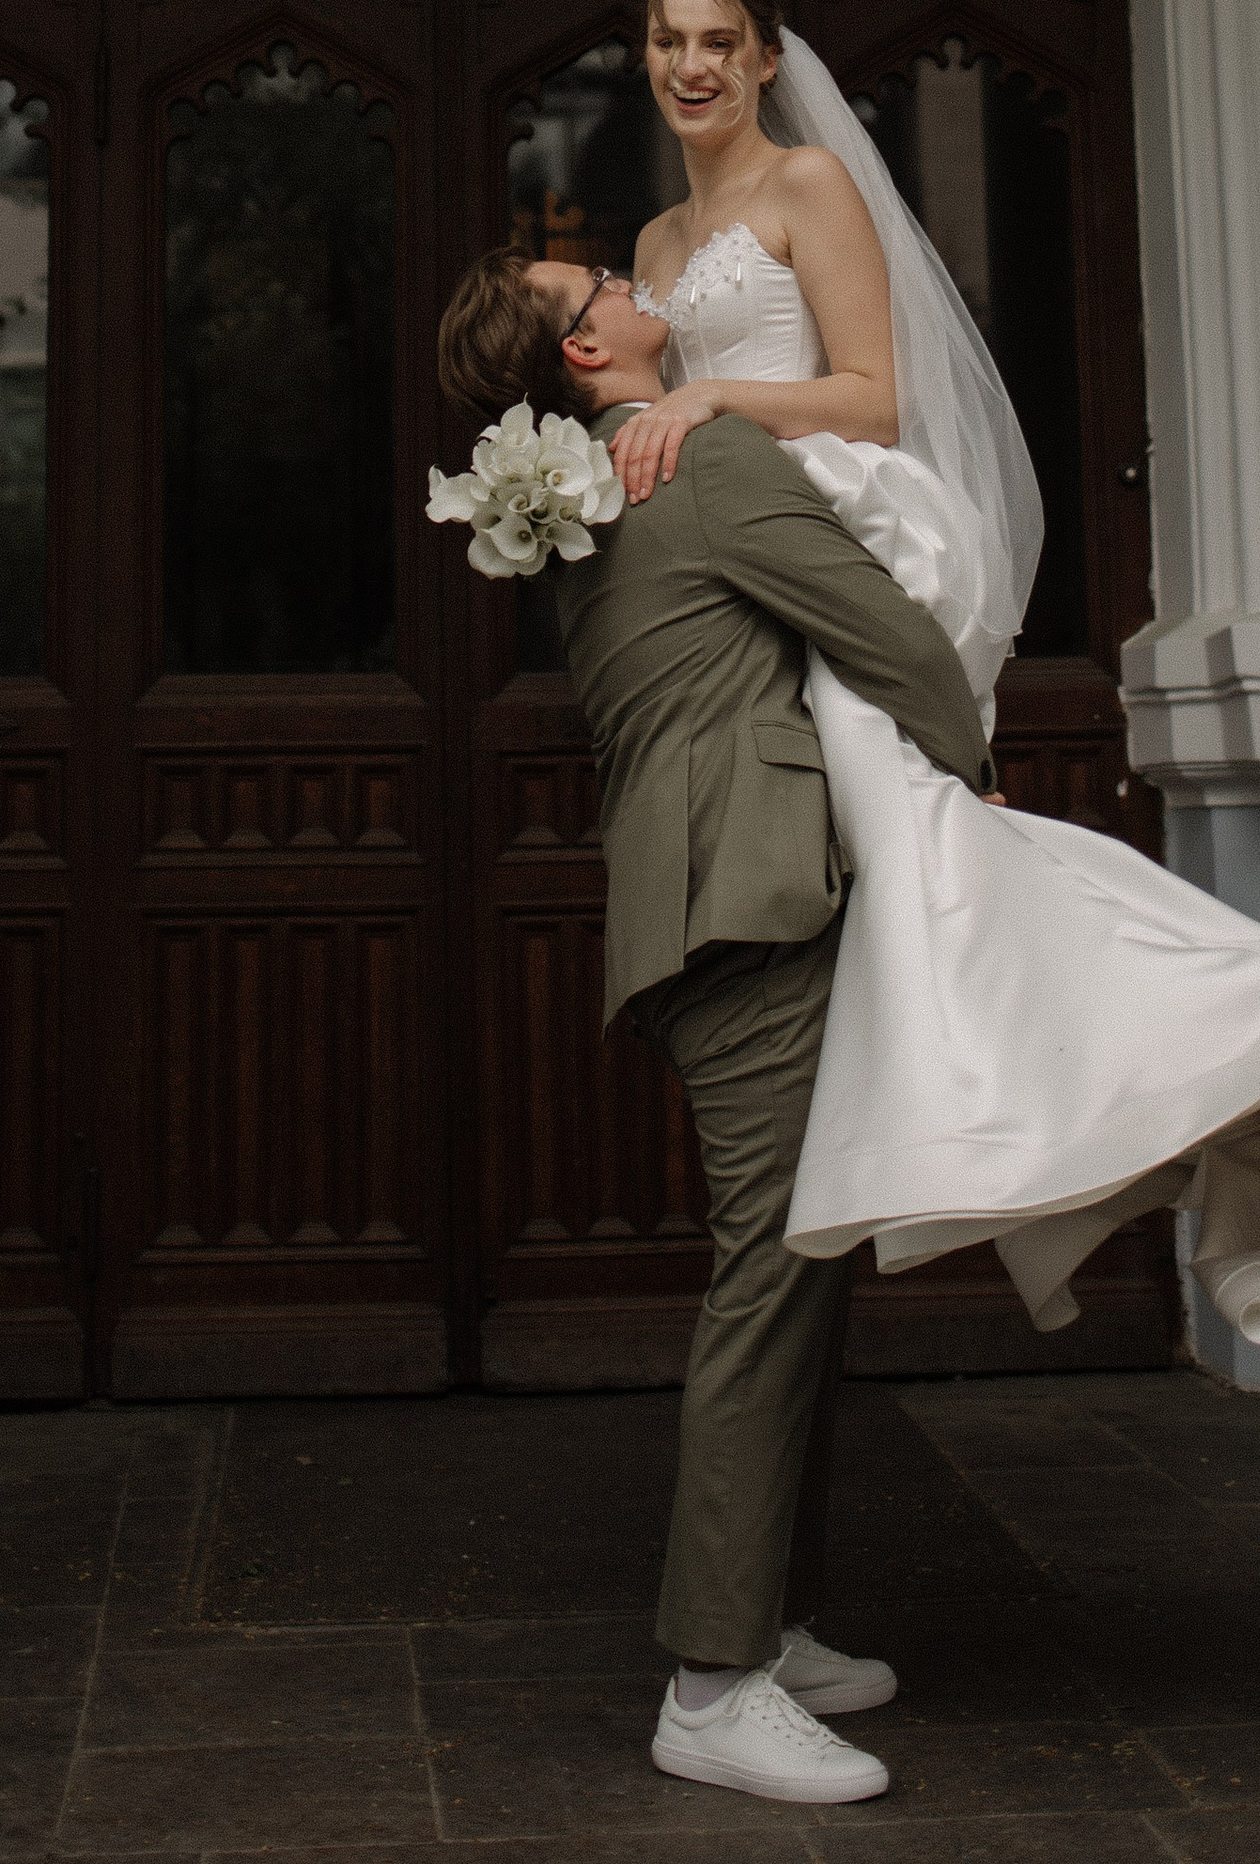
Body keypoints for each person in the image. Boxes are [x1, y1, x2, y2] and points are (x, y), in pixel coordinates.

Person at [605, 0, 1260, 1365]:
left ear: (766, 60)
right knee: (929, 870)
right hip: (755, 571)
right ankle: (1137, 1094)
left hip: (847, 533)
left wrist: (712, 409)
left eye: (718, 40)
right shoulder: (650, 249)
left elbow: (875, 401)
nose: (690, 65)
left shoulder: (807, 190)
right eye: (665, 38)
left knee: (931, 845)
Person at [435, 241, 993, 1808]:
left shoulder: (616, 486)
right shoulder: (702, 462)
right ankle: (713, 1682)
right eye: (589, 286)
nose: (619, 277)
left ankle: (772, 1623)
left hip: (712, 900)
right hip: (745, 904)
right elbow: (880, 628)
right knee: (771, 1269)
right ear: (585, 356)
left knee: (805, 1257)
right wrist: (974, 767)